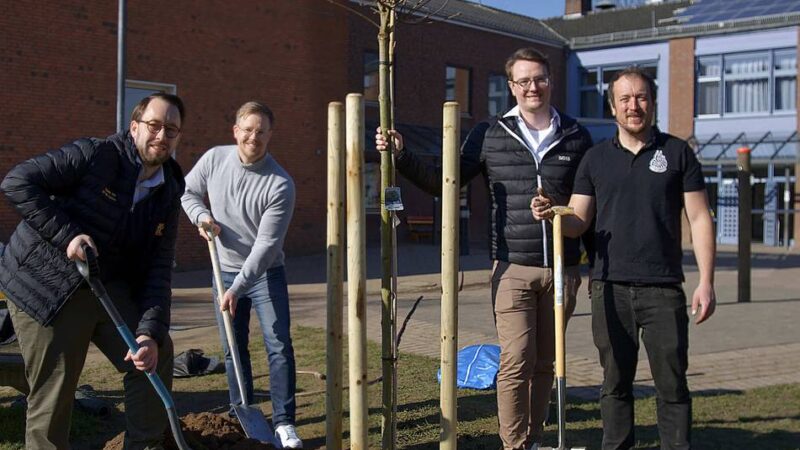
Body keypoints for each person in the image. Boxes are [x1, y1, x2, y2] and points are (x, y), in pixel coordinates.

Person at [376, 47, 593, 450]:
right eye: (524, 81)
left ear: (550, 81)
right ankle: (514, 444)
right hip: (511, 267)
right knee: (516, 359)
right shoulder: (489, 133)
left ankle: (536, 437)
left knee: (547, 362)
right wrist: (402, 155)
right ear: (511, 87)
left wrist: (587, 255)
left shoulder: (576, 135)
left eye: (540, 79)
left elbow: (588, 200)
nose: (533, 87)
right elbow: (444, 181)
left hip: (563, 268)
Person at [532, 66, 716, 450]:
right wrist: (555, 213)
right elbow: (578, 220)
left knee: (672, 384)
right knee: (614, 384)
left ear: (652, 103)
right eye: (625, 99)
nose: (634, 106)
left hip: (664, 290)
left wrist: (707, 281)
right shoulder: (595, 159)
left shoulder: (677, 152)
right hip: (610, 289)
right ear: (613, 107)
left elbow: (699, 218)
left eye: (642, 97)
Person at [0, 93, 186, 449]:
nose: (162, 135)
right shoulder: (97, 155)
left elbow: (158, 271)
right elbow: (17, 182)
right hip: (45, 284)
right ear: (134, 127)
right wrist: (67, 235)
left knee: (154, 358)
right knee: (56, 389)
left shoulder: (168, 193)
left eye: (172, 130)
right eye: (154, 125)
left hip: (102, 284)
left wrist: (148, 333)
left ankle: (143, 445)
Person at [180, 101, 302, 449]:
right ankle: (242, 413)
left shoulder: (280, 184)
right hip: (223, 270)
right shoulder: (214, 159)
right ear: (235, 131)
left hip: (265, 274)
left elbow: (266, 246)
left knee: (278, 345)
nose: (254, 137)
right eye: (247, 130)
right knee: (234, 348)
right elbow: (186, 192)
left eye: (261, 131)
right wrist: (201, 217)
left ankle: (284, 423)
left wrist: (237, 287)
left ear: (270, 135)